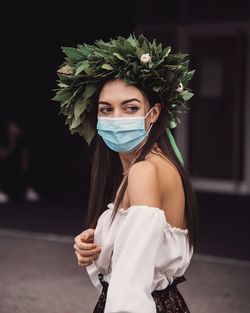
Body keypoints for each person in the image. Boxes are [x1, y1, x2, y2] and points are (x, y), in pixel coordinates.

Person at [53, 34, 197, 312]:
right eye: (106, 109)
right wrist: (99, 241)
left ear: (153, 114)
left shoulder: (143, 171)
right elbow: (149, 247)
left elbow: (130, 286)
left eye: (130, 108)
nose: (116, 118)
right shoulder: (157, 164)